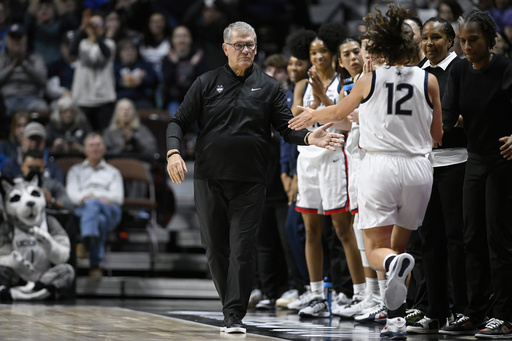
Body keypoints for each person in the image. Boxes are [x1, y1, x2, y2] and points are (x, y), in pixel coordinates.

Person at [165, 21, 344, 334]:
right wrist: (173, 153)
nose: (246, 50)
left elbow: (288, 128)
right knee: (215, 249)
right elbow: (177, 122)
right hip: (209, 179)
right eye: (239, 45)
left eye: (251, 44)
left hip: (250, 182)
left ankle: (234, 314)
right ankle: (229, 305)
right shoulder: (206, 82)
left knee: (243, 249)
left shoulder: (269, 87)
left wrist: (308, 138)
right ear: (226, 48)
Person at [289, 4, 443, 339]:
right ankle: (397, 318)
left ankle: (389, 267)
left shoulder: (370, 80)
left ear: (383, 48)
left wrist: (311, 116)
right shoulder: (429, 80)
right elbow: (437, 136)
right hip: (419, 169)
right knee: (399, 247)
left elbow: (338, 111)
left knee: (377, 250)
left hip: (380, 165)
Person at [438, 9, 512, 338]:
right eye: (463, 41)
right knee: (471, 240)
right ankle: (474, 312)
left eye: (473, 40)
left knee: (498, 239)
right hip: (474, 160)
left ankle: (505, 316)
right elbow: (448, 118)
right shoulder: (458, 72)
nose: (466, 47)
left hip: (503, 161)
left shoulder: (506, 68)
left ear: (490, 39)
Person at [289, 24, 366, 318]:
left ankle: (359, 292)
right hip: (306, 159)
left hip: (334, 155)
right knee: (310, 230)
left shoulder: (344, 82)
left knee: (342, 229)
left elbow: (340, 116)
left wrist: (321, 97)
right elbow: (294, 121)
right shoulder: (301, 85)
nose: (318, 56)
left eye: (322, 51)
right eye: (313, 52)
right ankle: (316, 294)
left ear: (333, 54)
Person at [406, 16, 468, 334]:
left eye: (437, 37)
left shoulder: (461, 69)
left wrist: (447, 123)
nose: (429, 43)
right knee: (429, 240)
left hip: (457, 162)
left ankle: (463, 310)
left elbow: (464, 116)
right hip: (425, 164)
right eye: (425, 38)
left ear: (451, 39)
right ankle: (436, 310)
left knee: (457, 239)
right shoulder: (418, 73)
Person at [66, 132, 123, 280]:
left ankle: (85, 243)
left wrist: (93, 198)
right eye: (91, 145)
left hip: (110, 210)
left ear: (104, 148)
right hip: (83, 210)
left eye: (98, 145)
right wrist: (91, 199)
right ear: (84, 149)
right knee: (99, 220)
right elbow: (72, 195)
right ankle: (95, 265)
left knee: (94, 205)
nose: (95, 148)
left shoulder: (113, 172)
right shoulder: (75, 170)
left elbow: (118, 197)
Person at [69, 10, 116, 132]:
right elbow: (72, 52)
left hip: (104, 98)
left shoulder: (110, 43)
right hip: (83, 98)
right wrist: (82, 28)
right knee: (85, 135)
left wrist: (97, 36)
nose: (94, 28)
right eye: (92, 25)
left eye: (98, 25)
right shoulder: (81, 44)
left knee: (104, 134)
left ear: (104, 28)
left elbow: (106, 54)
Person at [0, 23, 49, 117]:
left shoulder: (35, 57)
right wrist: (11, 68)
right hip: (7, 99)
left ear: (25, 40)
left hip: (31, 99)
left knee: (43, 109)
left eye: (19, 37)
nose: (16, 41)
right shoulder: (1, 58)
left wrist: (25, 64)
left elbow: (43, 81)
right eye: (13, 38)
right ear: (7, 40)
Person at [162, 25, 207, 115]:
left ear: (190, 39)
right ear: (173, 40)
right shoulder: (167, 59)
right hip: (175, 99)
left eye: (185, 36)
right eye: (178, 36)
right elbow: (167, 83)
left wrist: (194, 66)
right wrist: (174, 65)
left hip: (196, 99)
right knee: (177, 120)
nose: (181, 40)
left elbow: (204, 83)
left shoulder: (198, 56)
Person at [114, 38, 157, 109]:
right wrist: (122, 81)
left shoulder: (145, 65)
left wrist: (143, 79)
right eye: (125, 50)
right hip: (121, 98)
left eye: (132, 49)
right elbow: (112, 84)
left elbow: (154, 81)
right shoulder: (115, 67)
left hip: (141, 98)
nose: (129, 52)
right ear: (119, 53)